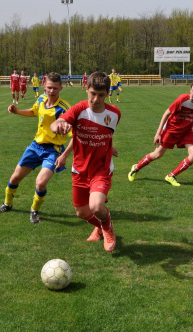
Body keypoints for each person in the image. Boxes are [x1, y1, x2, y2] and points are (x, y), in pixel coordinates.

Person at [50, 72, 121, 252]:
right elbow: (59, 123)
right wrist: (58, 125)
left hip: (101, 169)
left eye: (101, 95)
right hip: (80, 169)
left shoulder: (114, 114)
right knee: (82, 213)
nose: (96, 99)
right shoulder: (78, 110)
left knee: (96, 207)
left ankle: (108, 228)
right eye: (93, 94)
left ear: (108, 94)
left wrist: (108, 147)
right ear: (86, 89)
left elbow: (105, 134)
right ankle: (99, 226)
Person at [0, 72, 72, 223]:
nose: (51, 91)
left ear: (60, 89)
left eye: (55, 88)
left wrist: (64, 156)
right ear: (44, 86)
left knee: (41, 183)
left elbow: (75, 136)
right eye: (49, 87)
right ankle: (7, 204)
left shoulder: (65, 109)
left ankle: (34, 210)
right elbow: (34, 111)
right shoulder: (41, 99)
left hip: (53, 150)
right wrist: (17, 111)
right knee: (15, 177)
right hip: (35, 146)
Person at [128, 80, 193, 187]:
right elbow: (166, 113)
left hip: (186, 131)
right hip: (171, 130)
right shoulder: (182, 100)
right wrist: (158, 133)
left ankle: (171, 176)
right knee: (157, 154)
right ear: (190, 90)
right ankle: (136, 168)